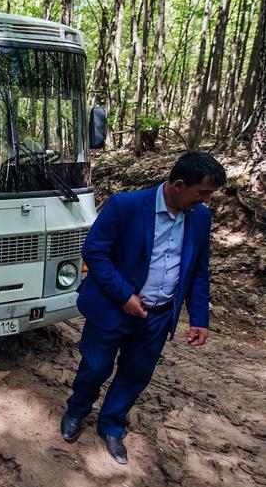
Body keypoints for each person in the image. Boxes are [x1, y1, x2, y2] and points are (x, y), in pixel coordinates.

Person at [60, 150, 225, 464]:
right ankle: (76, 411)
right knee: (95, 367)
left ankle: (111, 425)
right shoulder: (127, 205)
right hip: (113, 308)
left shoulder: (201, 217)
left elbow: (199, 270)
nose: (206, 201)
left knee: (136, 374)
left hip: (158, 317)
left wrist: (200, 318)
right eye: (202, 193)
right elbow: (94, 252)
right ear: (178, 184)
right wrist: (124, 296)